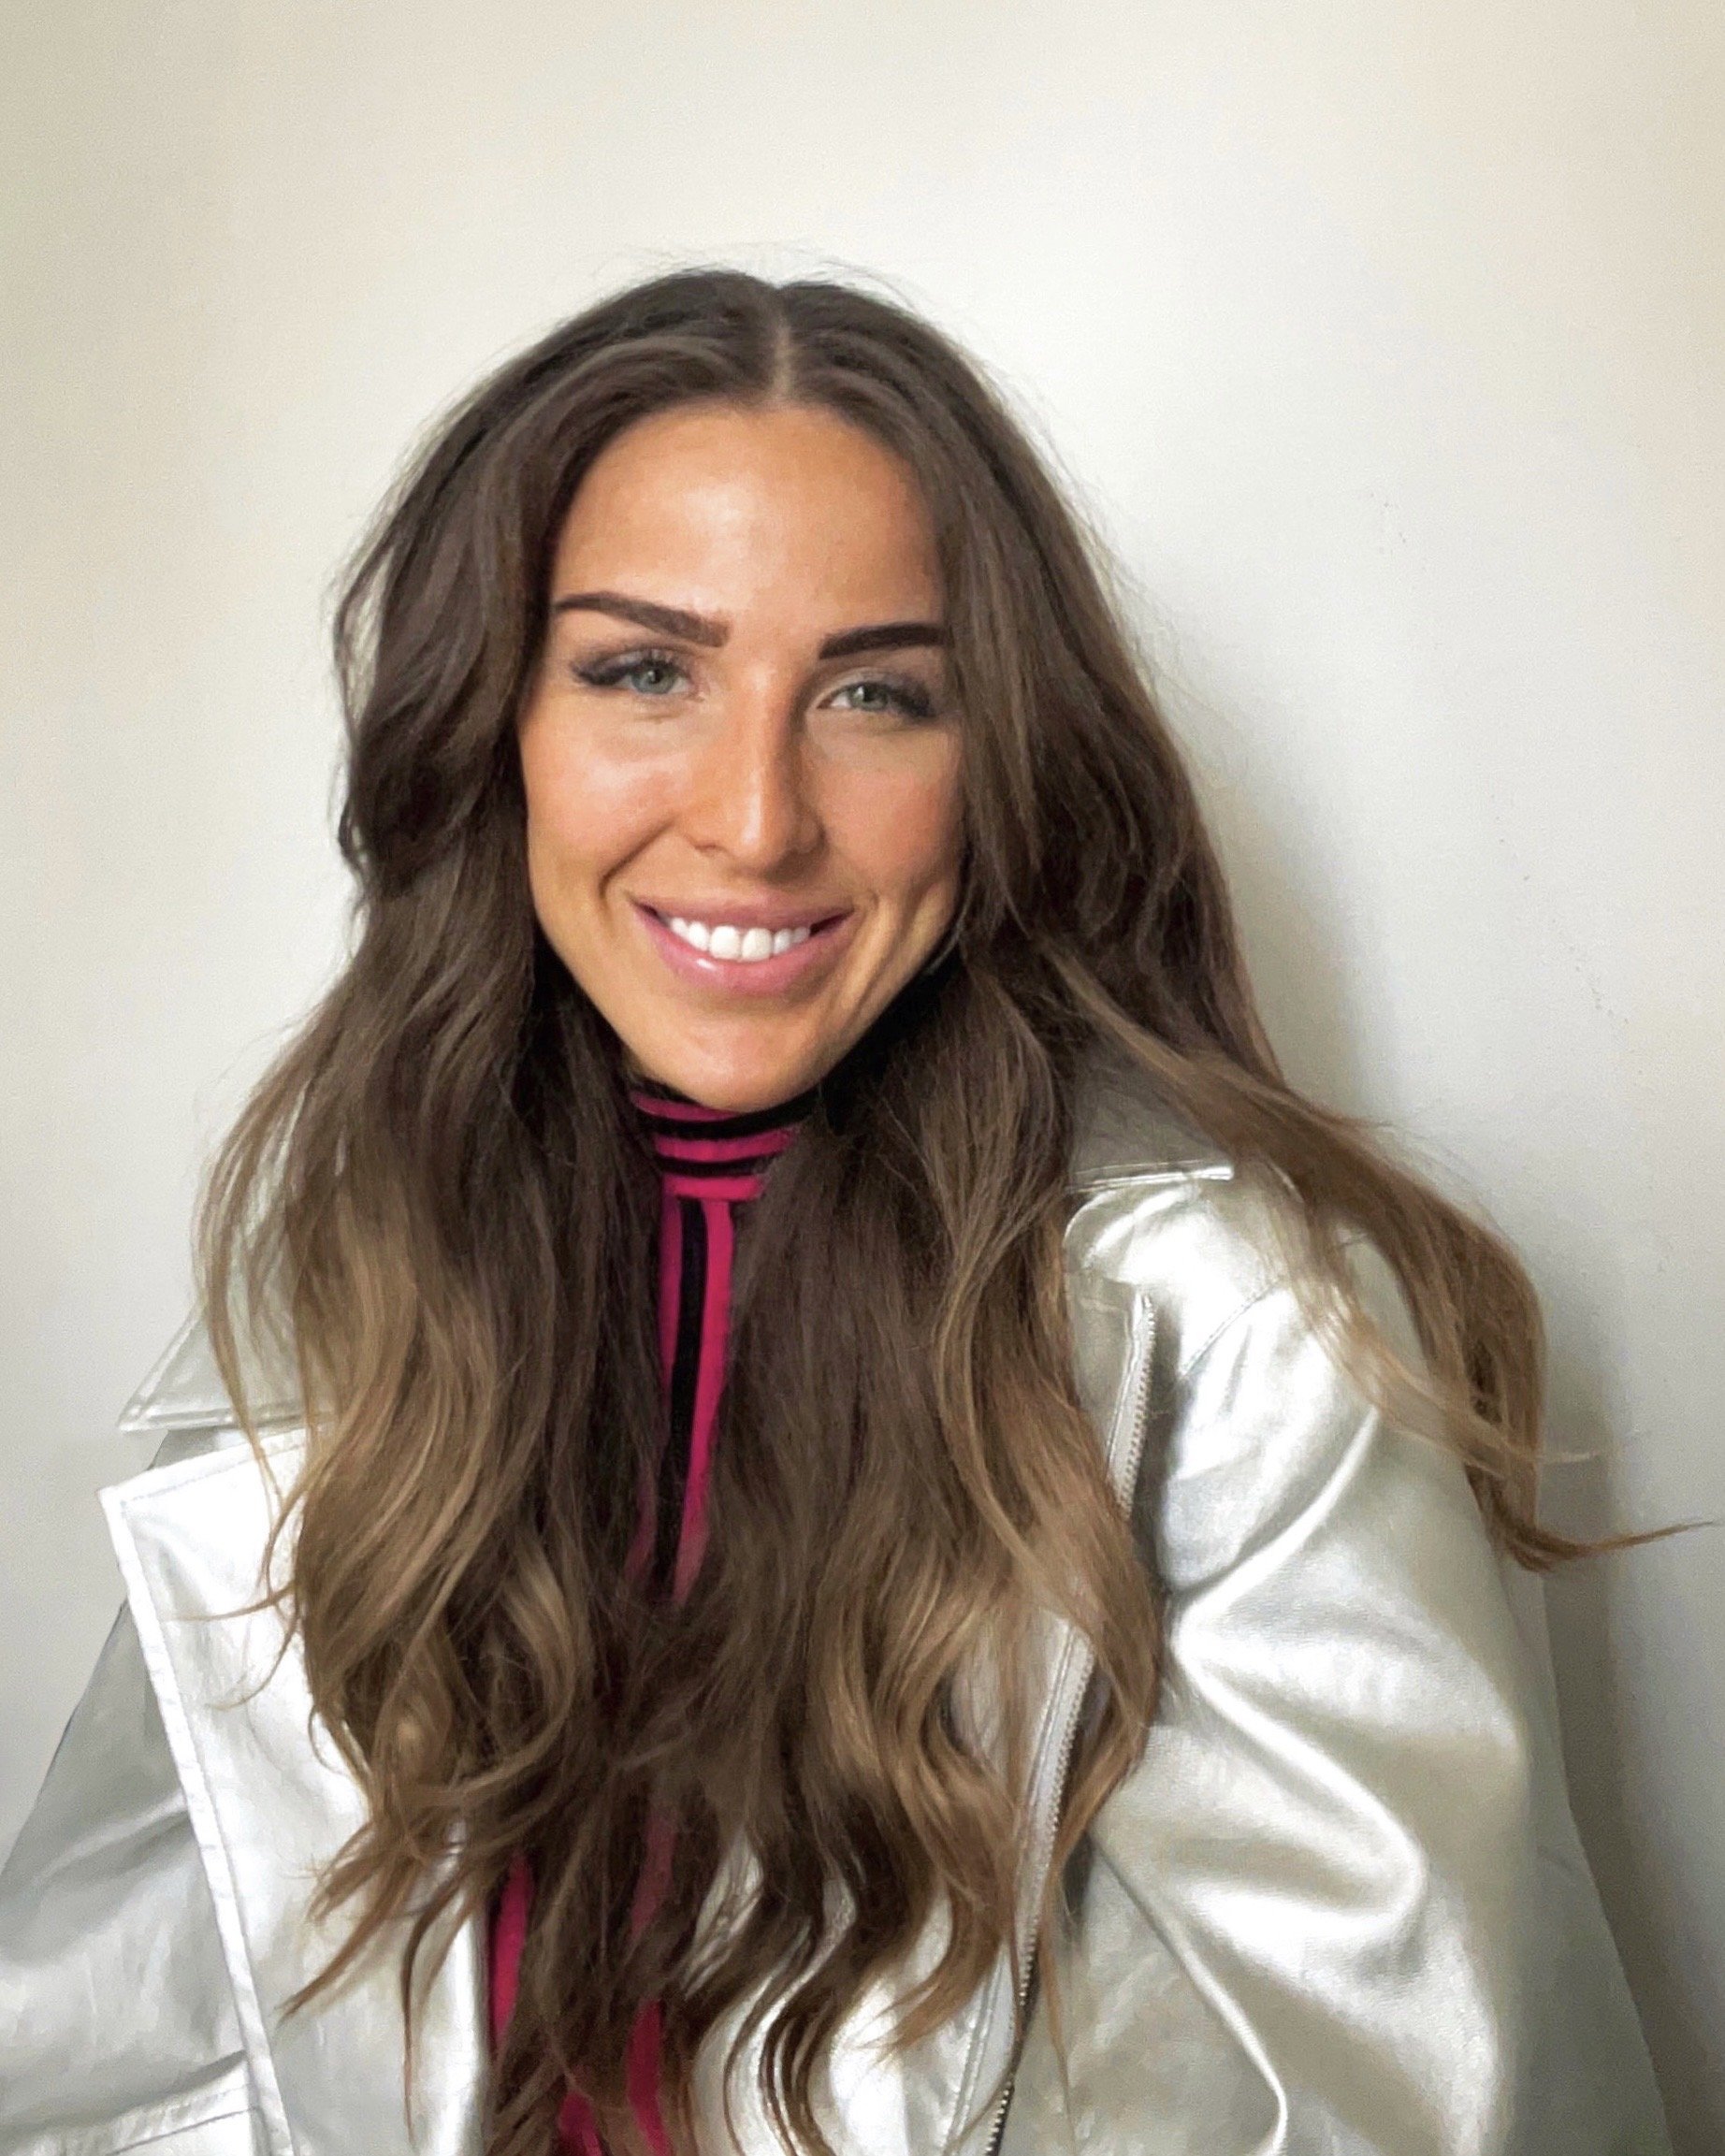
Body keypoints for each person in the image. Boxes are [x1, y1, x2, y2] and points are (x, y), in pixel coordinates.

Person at [0, 268, 1669, 2156]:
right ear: (494, 724)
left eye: (876, 693)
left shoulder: (1244, 1320)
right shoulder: (360, 1280)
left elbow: (1388, 2104)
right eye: (645, 669)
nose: (756, 814)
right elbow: (126, 2046)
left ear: (1000, 760)